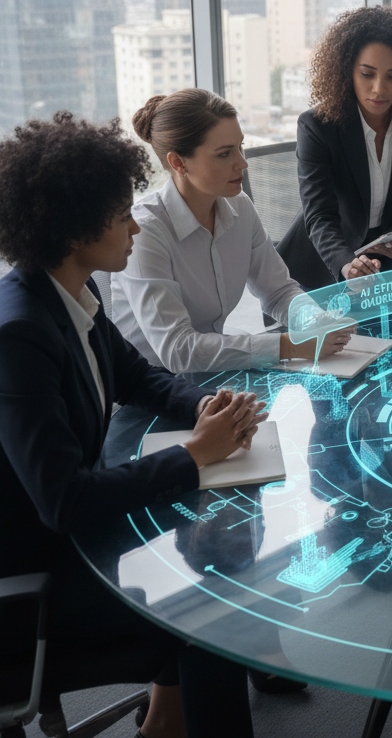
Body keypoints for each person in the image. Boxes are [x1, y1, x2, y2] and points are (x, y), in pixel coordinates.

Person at [0, 113, 264, 738]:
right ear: (74, 227)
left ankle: (167, 721)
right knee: (213, 610)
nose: (135, 223)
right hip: (34, 585)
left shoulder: (70, 294)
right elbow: (64, 502)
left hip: (72, 540)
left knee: (216, 556)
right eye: (122, 214)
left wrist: (200, 406)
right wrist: (195, 455)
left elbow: (138, 377)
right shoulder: (20, 333)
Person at [112, 89, 352, 373]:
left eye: (240, 147)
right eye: (225, 154)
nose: (242, 163)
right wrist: (292, 346)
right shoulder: (145, 232)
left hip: (212, 373)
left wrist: (317, 321)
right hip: (149, 388)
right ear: (178, 163)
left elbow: (277, 291)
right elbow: (178, 351)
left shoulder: (240, 207)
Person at [277, 5, 392, 290]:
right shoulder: (317, 126)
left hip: (391, 265)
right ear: (347, 71)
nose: (379, 89)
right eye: (367, 74)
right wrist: (346, 264)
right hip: (323, 265)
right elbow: (319, 215)